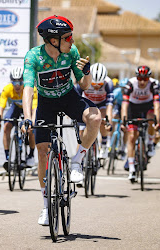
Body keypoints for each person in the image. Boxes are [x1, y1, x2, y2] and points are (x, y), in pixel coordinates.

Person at [21, 15, 101, 225]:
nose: (72, 41)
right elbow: (28, 89)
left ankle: (76, 162)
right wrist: (28, 118)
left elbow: (83, 86)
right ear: (52, 40)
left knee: (95, 118)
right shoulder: (33, 58)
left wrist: (87, 73)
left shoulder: (71, 53)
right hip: (46, 103)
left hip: (68, 98)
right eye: (68, 37)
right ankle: (47, 206)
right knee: (42, 151)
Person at [121, 66, 160, 181]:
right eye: (140, 78)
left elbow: (157, 104)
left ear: (149, 78)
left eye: (145, 79)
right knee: (132, 136)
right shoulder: (130, 84)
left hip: (147, 106)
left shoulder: (154, 84)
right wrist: (124, 120)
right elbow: (124, 104)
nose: (142, 81)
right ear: (136, 77)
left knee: (152, 118)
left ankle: (150, 142)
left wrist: (156, 121)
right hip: (133, 108)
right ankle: (132, 169)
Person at [0, 66, 38, 167]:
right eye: (14, 82)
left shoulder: (31, 89)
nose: (17, 85)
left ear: (24, 81)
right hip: (16, 108)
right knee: (6, 127)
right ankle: (8, 157)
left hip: (28, 108)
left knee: (31, 129)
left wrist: (32, 121)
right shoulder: (7, 89)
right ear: (11, 82)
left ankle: (31, 155)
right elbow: (1, 107)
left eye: (20, 82)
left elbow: (34, 108)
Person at [76, 62, 113, 158]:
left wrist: (109, 121)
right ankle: (80, 157)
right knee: (81, 132)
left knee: (103, 119)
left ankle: (104, 144)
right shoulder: (84, 80)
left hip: (102, 104)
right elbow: (76, 100)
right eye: (93, 84)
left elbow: (109, 105)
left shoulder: (108, 83)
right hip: (88, 104)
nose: (96, 86)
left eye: (100, 84)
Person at [111, 78, 129, 160]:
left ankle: (123, 147)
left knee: (125, 127)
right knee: (113, 117)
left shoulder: (130, 93)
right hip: (119, 106)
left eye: (124, 89)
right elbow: (110, 102)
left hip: (127, 107)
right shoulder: (117, 92)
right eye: (122, 88)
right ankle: (109, 141)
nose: (123, 91)